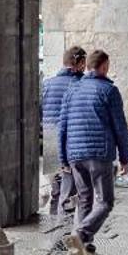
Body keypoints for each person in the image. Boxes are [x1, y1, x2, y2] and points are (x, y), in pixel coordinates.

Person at [51, 50, 128, 255]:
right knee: (105, 201)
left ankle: (81, 252)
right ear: (104, 66)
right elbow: (120, 127)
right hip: (99, 153)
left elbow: (62, 127)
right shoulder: (109, 90)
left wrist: (63, 157)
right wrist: (125, 156)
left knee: (85, 199)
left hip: (75, 154)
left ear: (88, 67)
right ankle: (80, 234)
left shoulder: (72, 89)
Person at [40, 46, 87, 222]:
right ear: (81, 63)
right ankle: (64, 229)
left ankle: (53, 224)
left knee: (56, 188)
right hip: (71, 139)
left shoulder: (48, 83)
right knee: (70, 188)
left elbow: (39, 109)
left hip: (51, 135)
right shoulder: (81, 84)